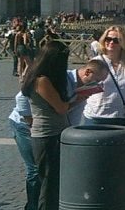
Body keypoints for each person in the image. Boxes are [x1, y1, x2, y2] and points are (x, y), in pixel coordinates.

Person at [21, 41, 94, 210]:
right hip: (48, 135)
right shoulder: (42, 81)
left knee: (52, 181)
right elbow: (61, 108)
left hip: (51, 134)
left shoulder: (39, 77)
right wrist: (78, 99)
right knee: (49, 184)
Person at [81, 26, 125, 126]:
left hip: (122, 117)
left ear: (123, 43)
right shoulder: (95, 62)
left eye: (116, 40)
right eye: (108, 39)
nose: (111, 42)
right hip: (96, 117)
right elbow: (84, 89)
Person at [8, 91, 40, 210]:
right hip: (24, 125)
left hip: (42, 126)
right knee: (35, 168)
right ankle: (33, 206)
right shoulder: (43, 76)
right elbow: (21, 97)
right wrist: (30, 121)